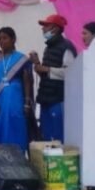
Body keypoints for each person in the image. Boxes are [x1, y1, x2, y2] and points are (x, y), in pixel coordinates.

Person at [30, 14, 77, 142]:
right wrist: (37, 64)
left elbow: (71, 73)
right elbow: (48, 76)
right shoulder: (48, 48)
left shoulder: (66, 47)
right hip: (46, 99)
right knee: (46, 138)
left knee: (57, 138)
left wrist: (46, 69)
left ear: (55, 28)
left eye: (46, 26)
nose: (42, 29)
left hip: (58, 99)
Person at [0, 27, 33, 151]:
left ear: (13, 39)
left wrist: (27, 103)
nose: (1, 41)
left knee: (15, 126)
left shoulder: (21, 59)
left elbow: (27, 82)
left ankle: (17, 158)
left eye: (5, 38)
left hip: (15, 100)